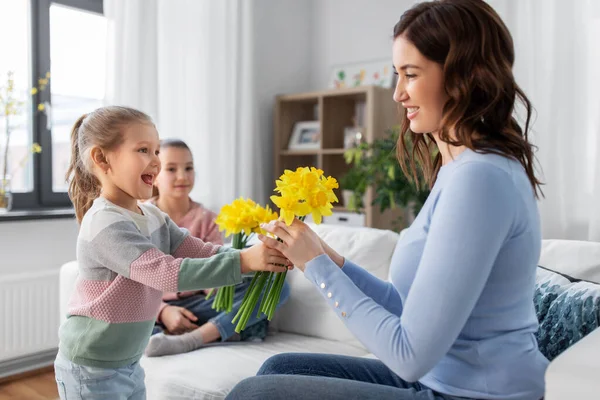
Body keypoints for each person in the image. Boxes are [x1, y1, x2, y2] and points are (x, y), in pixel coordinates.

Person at [226, 1, 548, 399]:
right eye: (398, 75)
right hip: (441, 378)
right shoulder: (459, 170)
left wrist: (317, 266)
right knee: (281, 367)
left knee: (257, 394)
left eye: (410, 75)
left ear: (463, 77)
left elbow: (408, 356)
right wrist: (329, 258)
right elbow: (403, 306)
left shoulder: (480, 179)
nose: (397, 94)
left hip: (477, 394)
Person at [54, 106, 291, 399]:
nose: (155, 160)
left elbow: (199, 250)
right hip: (91, 365)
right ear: (102, 158)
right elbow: (166, 273)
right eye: (143, 149)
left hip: (128, 360)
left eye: (156, 151)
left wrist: (258, 258)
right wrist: (243, 261)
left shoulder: (153, 216)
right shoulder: (105, 222)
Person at [144, 138, 289, 357]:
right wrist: (163, 312)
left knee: (276, 286)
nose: (182, 176)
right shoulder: (142, 218)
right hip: (154, 307)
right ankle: (220, 331)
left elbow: (215, 270)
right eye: (171, 169)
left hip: (202, 303)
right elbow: (134, 282)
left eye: (189, 168)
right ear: (154, 175)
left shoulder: (208, 219)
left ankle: (193, 338)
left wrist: (228, 282)